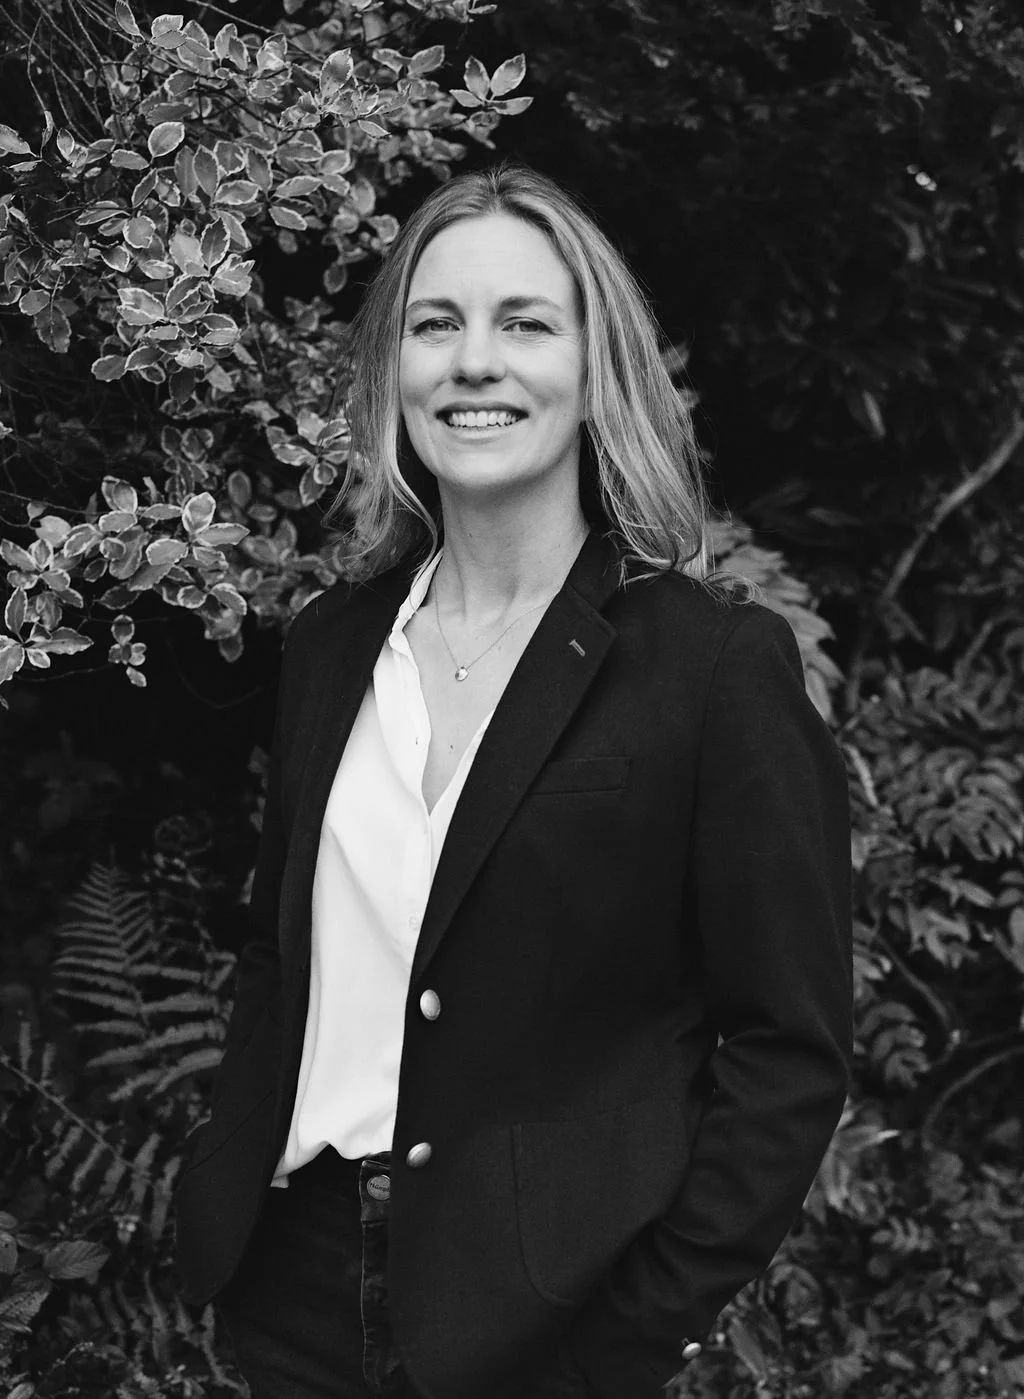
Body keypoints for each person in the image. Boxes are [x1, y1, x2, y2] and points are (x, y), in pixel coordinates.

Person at [173, 162, 853, 1399]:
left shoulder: (708, 664)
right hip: (294, 1291)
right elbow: (279, 950)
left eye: (524, 323)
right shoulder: (331, 643)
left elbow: (787, 1046)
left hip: (547, 1325)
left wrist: (644, 1322)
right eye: (436, 325)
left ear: (596, 373)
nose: (473, 361)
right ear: (395, 372)